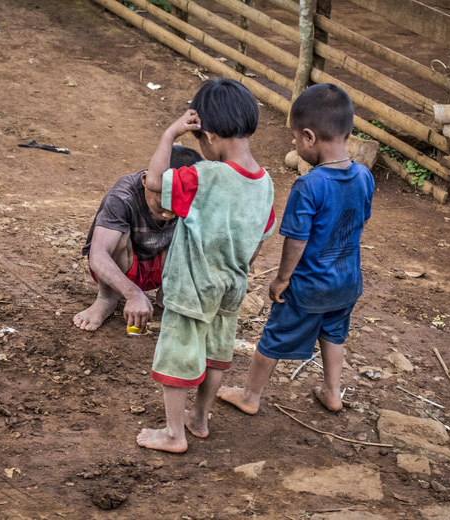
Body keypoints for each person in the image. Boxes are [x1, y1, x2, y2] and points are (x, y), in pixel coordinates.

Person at [136, 78, 276, 453]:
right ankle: (199, 420)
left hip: (191, 287)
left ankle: (173, 434)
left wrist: (169, 135)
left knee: (179, 355)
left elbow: (153, 183)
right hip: (232, 286)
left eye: (200, 141)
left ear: (210, 136)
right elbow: (261, 240)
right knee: (216, 354)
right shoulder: (266, 184)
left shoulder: (204, 176)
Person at [218, 83, 374, 414]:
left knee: (274, 338)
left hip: (309, 287)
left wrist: (282, 278)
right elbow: (360, 220)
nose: (294, 144)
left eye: (293, 138)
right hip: (348, 282)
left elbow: (297, 239)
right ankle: (333, 392)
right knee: (333, 334)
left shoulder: (310, 184)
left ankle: (250, 395)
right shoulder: (363, 176)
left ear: (308, 137)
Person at [73, 145, 203, 332]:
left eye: (176, 207)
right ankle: (107, 298)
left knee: (193, 231)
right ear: (145, 180)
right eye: (162, 204)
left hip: (162, 265)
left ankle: (168, 294)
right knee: (117, 235)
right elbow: (98, 255)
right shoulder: (123, 196)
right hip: (125, 268)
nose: (168, 215)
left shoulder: (195, 195)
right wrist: (133, 294)